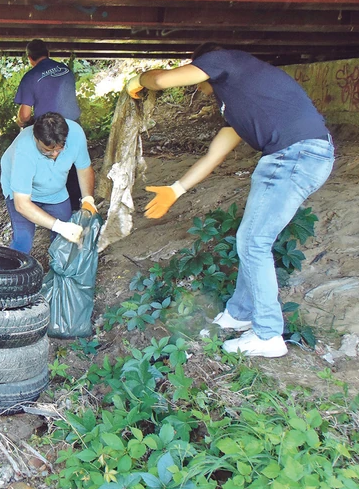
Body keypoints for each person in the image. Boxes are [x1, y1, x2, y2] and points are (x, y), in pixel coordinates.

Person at [127, 44, 335, 358]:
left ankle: (267, 335)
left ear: (204, 64)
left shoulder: (225, 59)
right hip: (300, 155)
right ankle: (240, 314)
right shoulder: (237, 101)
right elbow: (215, 154)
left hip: (294, 155)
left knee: (253, 242)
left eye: (199, 74)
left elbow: (164, 81)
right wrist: (176, 189)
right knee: (253, 239)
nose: (199, 86)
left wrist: (140, 80)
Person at [0, 111, 97, 254]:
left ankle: (58, 273)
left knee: (66, 239)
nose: (54, 155)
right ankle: (12, 274)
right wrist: (59, 226)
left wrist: (88, 199)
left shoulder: (75, 134)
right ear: (36, 139)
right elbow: (22, 204)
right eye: (47, 151)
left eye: (59, 149)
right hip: (22, 193)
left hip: (55, 190)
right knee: (23, 239)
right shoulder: (24, 151)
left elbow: (84, 168)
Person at [14, 39, 83, 210]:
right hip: (74, 126)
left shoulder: (30, 77)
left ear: (30, 58)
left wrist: (21, 122)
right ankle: (77, 208)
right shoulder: (65, 70)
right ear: (48, 53)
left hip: (49, 129)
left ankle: (50, 209)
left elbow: (25, 114)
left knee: (52, 167)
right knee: (75, 166)